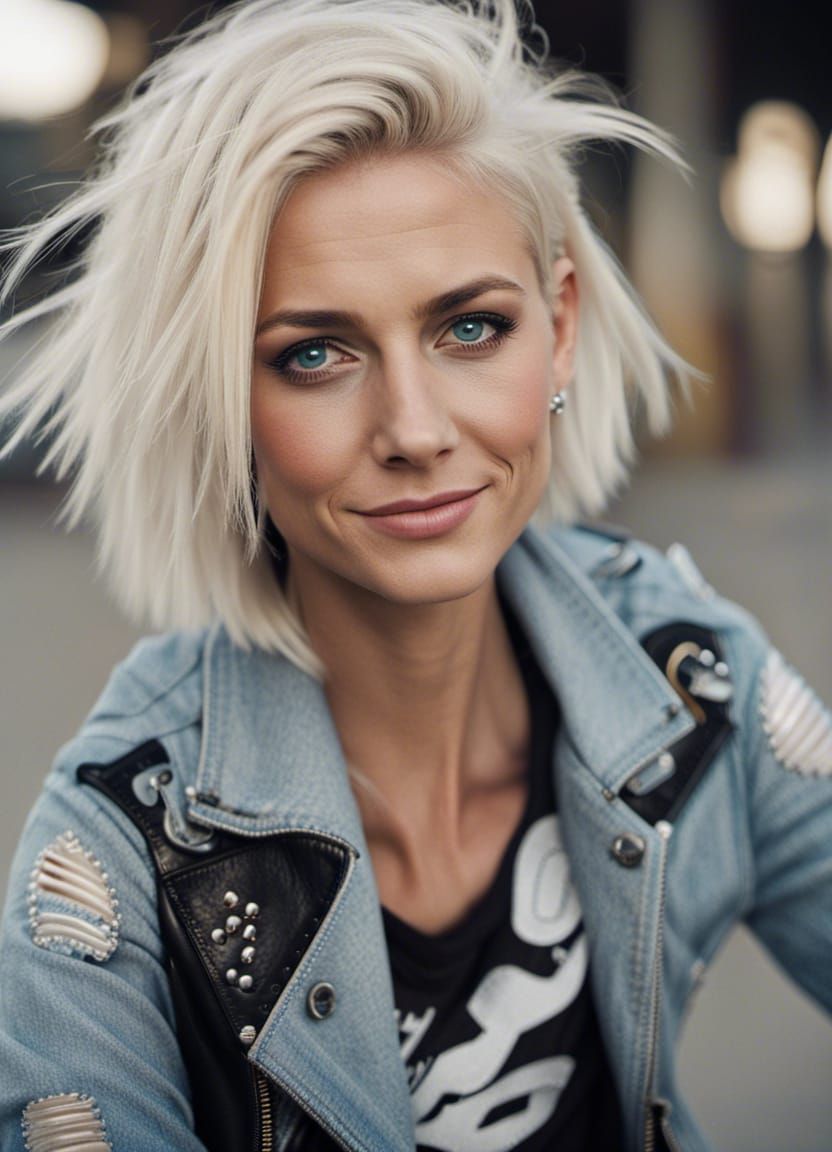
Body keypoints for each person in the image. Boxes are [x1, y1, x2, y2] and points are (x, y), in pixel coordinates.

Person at [1, 1, 830, 1149]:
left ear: (560, 325)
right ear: (219, 400)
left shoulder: (692, 682)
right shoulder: (113, 856)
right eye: (314, 354)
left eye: (470, 329)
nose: (415, 429)